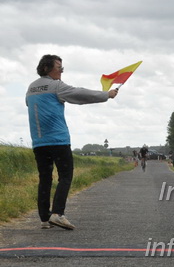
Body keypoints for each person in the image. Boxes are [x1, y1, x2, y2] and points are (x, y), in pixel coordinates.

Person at [26, 54, 118, 230]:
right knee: (65, 176)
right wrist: (106, 95)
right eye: (59, 67)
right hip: (58, 140)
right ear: (46, 68)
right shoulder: (56, 86)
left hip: (39, 142)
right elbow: (80, 94)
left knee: (44, 178)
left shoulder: (30, 88)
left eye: (62, 68)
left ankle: (44, 218)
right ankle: (58, 214)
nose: (61, 71)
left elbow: (28, 105)